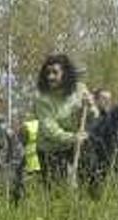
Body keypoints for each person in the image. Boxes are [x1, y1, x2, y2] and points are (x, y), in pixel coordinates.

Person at [31, 54, 95, 190]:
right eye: (47, 72)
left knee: (88, 179)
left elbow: (94, 116)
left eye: (55, 72)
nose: (50, 77)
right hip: (50, 149)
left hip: (74, 147)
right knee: (55, 190)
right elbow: (50, 130)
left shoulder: (80, 89)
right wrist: (73, 137)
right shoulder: (42, 98)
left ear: (65, 73)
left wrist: (90, 106)